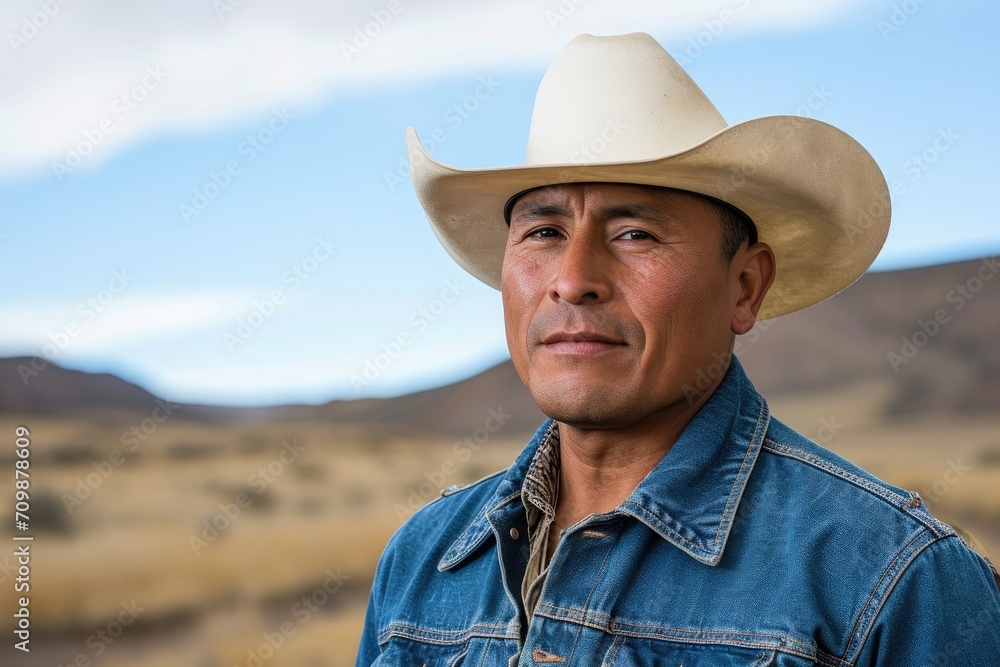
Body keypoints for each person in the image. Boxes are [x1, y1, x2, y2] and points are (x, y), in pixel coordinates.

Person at [356, 32, 1000, 666]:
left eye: (635, 233)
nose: (574, 279)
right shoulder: (421, 560)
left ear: (744, 287)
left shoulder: (893, 582)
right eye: (545, 230)